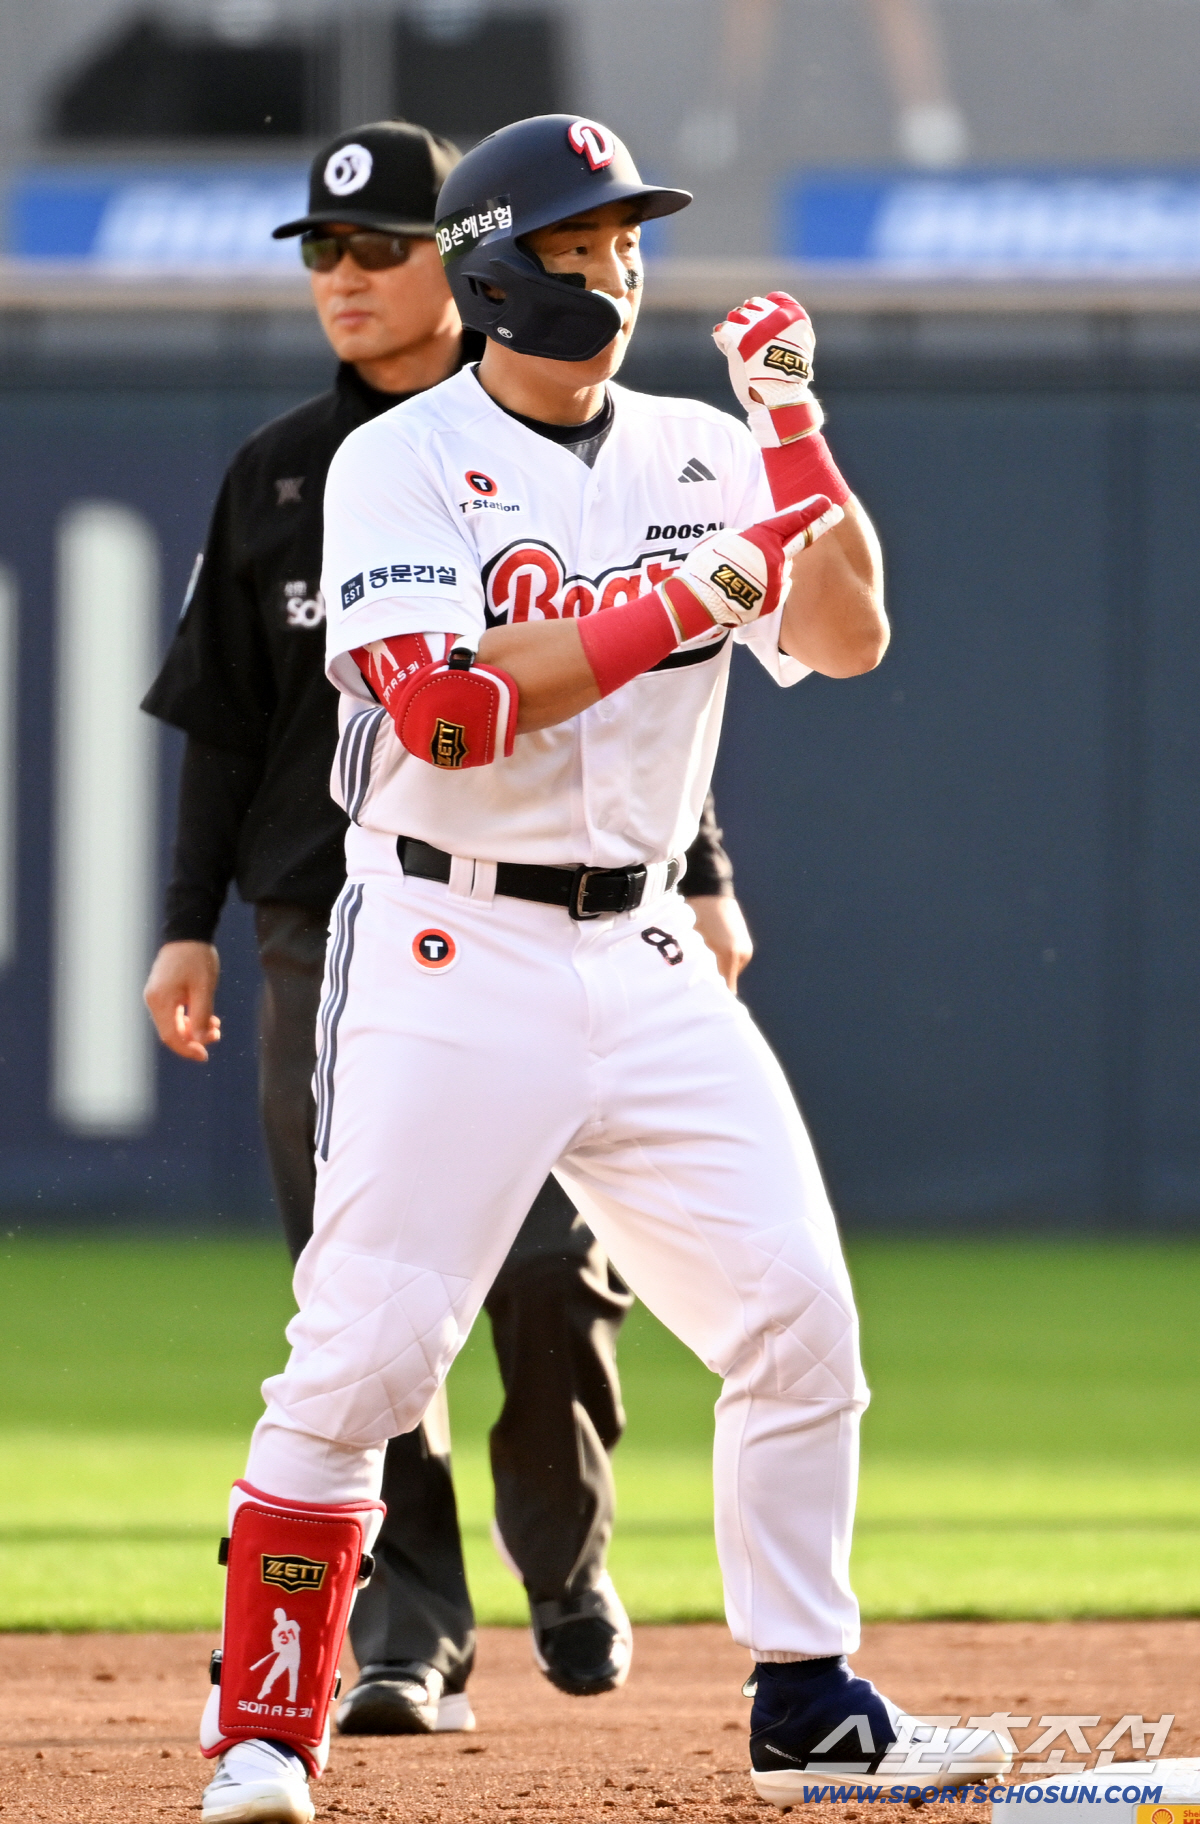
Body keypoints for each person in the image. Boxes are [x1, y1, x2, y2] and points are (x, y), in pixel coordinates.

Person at [194, 114, 1011, 1824]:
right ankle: (265, 1731)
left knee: (797, 1317)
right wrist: (679, 598)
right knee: (366, 1353)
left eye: (629, 241)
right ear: (495, 271)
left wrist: (792, 432)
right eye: (578, 245)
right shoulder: (399, 461)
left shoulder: (702, 450)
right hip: (448, 941)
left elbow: (847, 634)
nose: (616, 272)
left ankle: (807, 1706)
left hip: (641, 944)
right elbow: (445, 711)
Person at [141, 120, 755, 1746]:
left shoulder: (588, 445)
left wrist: (698, 870)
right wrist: (184, 922)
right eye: (321, 255)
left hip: (556, 917)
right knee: (368, 1299)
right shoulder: (293, 468)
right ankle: (405, 1633)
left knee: (553, 1267)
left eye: (376, 248)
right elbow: (222, 717)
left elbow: (645, 703)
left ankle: (566, 1553)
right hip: (326, 909)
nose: (343, 279)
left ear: (462, 263)